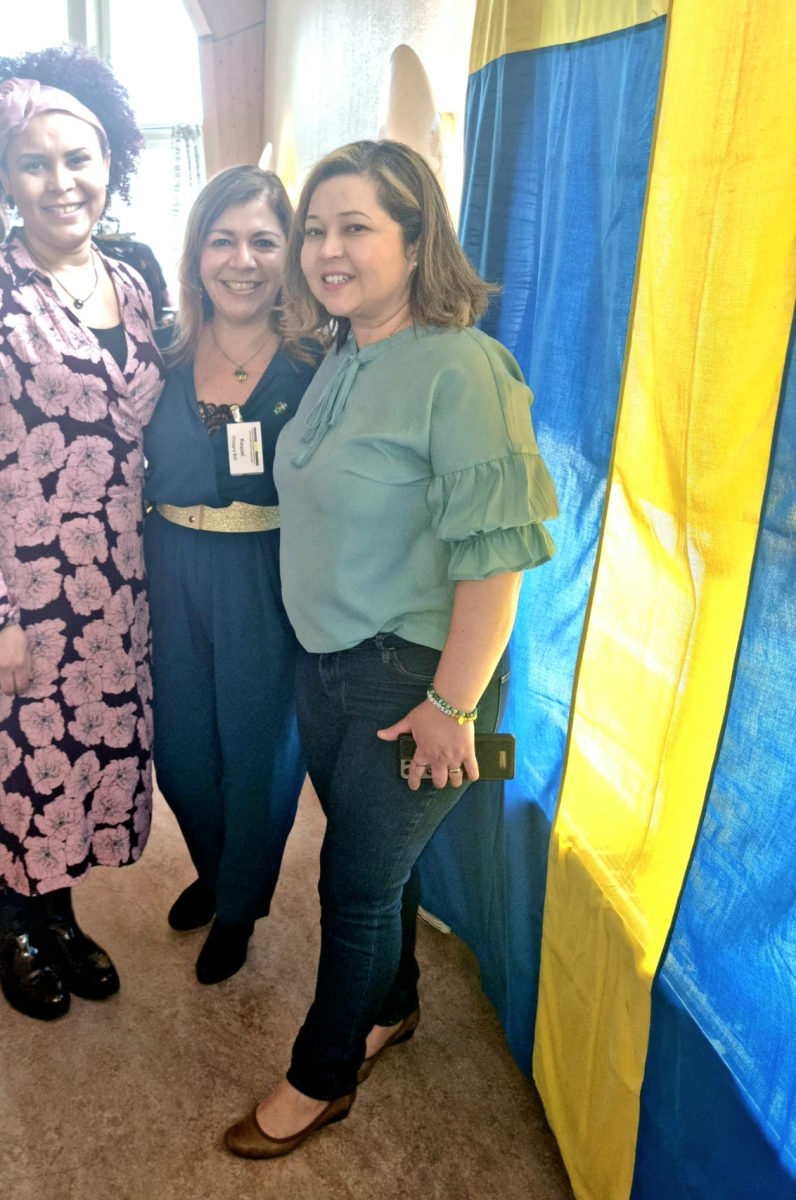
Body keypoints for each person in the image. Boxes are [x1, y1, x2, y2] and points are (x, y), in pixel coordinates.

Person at [223, 140, 560, 1156]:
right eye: (315, 229)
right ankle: (395, 1003)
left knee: (354, 884)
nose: (326, 249)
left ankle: (321, 1077)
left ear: (416, 243)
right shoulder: (343, 352)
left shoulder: (462, 367)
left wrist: (452, 708)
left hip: (413, 677)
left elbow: (497, 563)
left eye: (356, 228)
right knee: (385, 865)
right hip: (328, 665)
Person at [0, 47, 164, 1021]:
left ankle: (54, 910)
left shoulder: (131, 285)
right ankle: (8, 923)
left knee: (83, 759)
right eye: (35, 162)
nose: (62, 182)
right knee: (18, 759)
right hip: (18, 593)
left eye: (79, 158)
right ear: (4, 179)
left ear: (111, 163)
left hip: (116, 589)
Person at [143, 166, 319, 984]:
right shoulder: (161, 350)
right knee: (179, 753)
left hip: (267, 572)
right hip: (170, 565)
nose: (241, 261)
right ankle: (215, 868)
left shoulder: (316, 362)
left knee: (258, 753)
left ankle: (239, 903)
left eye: (263, 242)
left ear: (290, 255)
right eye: (223, 240)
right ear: (197, 254)